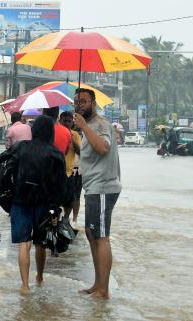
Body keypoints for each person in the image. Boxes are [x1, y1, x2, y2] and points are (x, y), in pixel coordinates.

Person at [72, 88, 121, 300]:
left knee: (101, 236)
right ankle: (97, 284)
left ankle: (104, 290)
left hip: (103, 188)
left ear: (93, 104)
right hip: (93, 188)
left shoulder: (100, 125)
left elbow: (102, 148)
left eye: (84, 101)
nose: (79, 105)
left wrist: (83, 127)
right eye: (76, 102)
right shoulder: (89, 127)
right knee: (92, 235)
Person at [9, 115, 66, 293]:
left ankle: (24, 286)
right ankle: (39, 277)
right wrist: (57, 208)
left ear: (33, 131)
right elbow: (61, 184)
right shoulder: (56, 153)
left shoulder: (20, 148)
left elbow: (6, 170)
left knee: (23, 244)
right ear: (51, 132)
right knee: (41, 243)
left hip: (20, 201)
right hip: (45, 203)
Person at [60, 110, 82, 228]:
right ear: (60, 120)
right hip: (56, 172)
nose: (67, 123)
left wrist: (71, 139)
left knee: (71, 199)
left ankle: (67, 219)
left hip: (70, 172)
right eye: (65, 121)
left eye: (69, 121)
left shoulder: (75, 135)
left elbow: (80, 152)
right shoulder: (55, 132)